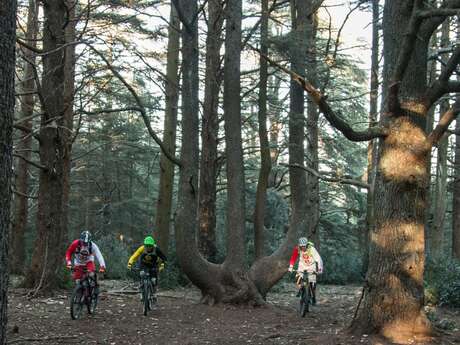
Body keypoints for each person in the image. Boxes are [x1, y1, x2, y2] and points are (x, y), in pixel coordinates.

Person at [288, 237, 323, 304]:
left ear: (307, 245)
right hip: (302, 266)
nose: (303, 248)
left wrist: (320, 269)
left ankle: (313, 297)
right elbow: (293, 258)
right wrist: (291, 266)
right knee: (298, 279)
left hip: (311, 266)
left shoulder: (312, 249)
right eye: (301, 246)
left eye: (304, 246)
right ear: (299, 245)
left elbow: (318, 259)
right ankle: (301, 290)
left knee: (312, 283)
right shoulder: (297, 249)